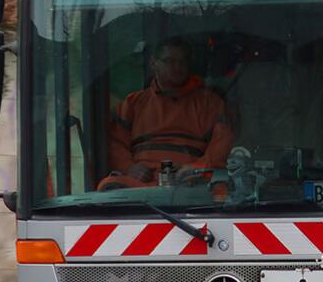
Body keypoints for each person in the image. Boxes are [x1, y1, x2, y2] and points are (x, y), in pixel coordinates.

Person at [99, 37, 234, 190]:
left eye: (183, 61)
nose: (178, 67)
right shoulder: (133, 103)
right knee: (108, 186)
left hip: (190, 182)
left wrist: (197, 167)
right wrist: (129, 168)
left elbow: (222, 141)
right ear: (153, 63)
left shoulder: (210, 102)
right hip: (138, 183)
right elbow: (114, 143)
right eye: (170, 61)